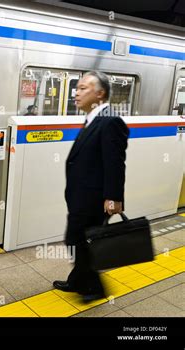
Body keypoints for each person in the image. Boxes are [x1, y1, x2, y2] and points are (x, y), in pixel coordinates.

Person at [53, 71, 129, 302]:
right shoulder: (94, 119)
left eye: (83, 88)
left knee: (76, 240)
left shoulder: (110, 121)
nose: (76, 92)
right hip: (82, 195)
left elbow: (115, 163)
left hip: (92, 198)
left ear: (100, 93)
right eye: (77, 88)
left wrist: (114, 197)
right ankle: (78, 281)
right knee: (82, 240)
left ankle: (94, 288)